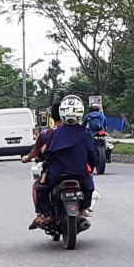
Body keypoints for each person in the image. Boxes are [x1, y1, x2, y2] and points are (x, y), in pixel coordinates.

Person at [32, 96, 97, 228]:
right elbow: (92, 156)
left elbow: (48, 154)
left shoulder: (53, 134)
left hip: (56, 175)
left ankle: (47, 214)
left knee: (41, 189)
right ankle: (82, 211)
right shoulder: (85, 134)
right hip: (79, 174)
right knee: (89, 187)